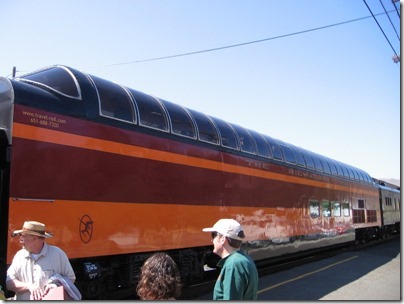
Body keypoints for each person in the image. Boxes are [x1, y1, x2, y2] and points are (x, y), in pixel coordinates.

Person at [6, 220, 77, 300]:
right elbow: (9, 282)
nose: (20, 239)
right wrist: (29, 286)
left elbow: (71, 278)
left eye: (23, 235)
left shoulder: (58, 254)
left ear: (34, 238)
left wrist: (55, 285)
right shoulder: (19, 256)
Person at [202, 218, 258, 300]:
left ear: (223, 239)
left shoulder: (233, 265)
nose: (211, 240)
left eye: (213, 235)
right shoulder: (243, 259)